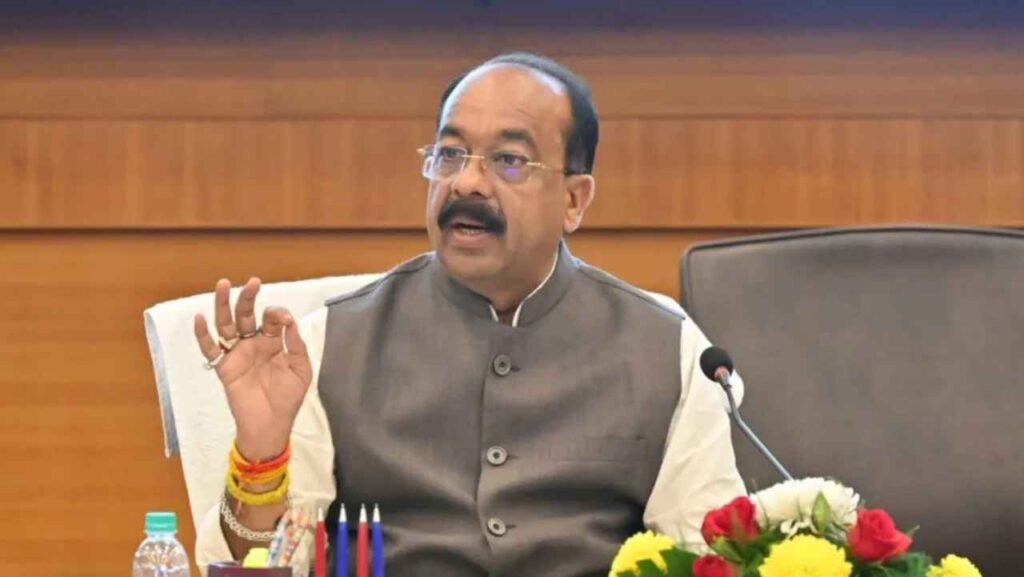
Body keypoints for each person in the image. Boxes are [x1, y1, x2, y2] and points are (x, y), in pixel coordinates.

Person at [193, 52, 745, 577]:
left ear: (574, 200)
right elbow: (257, 566)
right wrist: (262, 456)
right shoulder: (327, 345)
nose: (466, 182)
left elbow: (713, 556)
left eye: (509, 160)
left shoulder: (669, 351)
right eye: (450, 154)